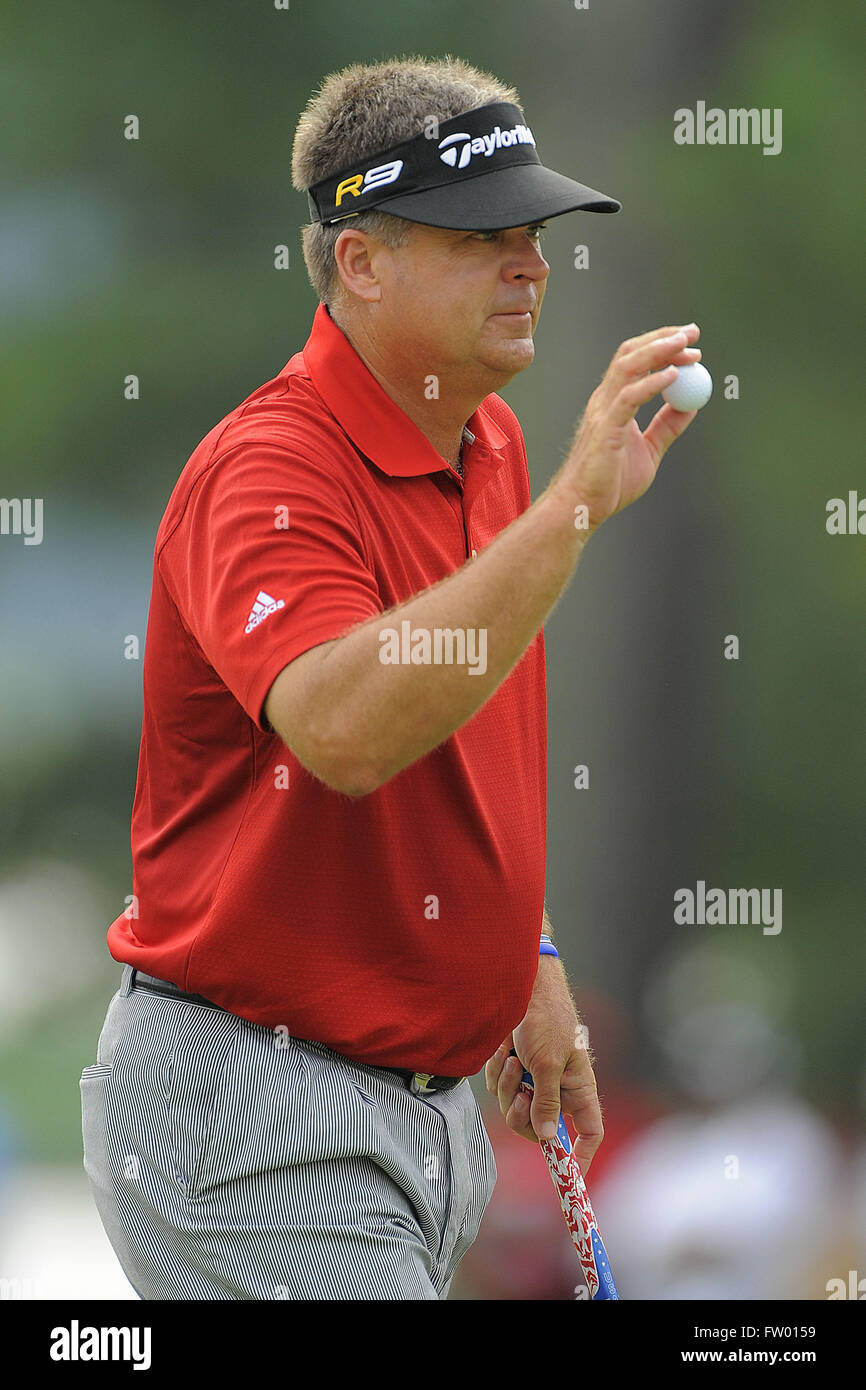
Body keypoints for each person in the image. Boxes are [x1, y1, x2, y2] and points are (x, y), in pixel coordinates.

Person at [79, 54, 701, 1301]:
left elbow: (447, 742)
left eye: (531, 233)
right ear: (358, 262)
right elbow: (343, 729)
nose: (528, 264)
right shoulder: (268, 470)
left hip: (417, 1112)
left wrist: (521, 955)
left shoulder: (489, 439)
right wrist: (573, 510)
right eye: (483, 236)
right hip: (251, 1110)